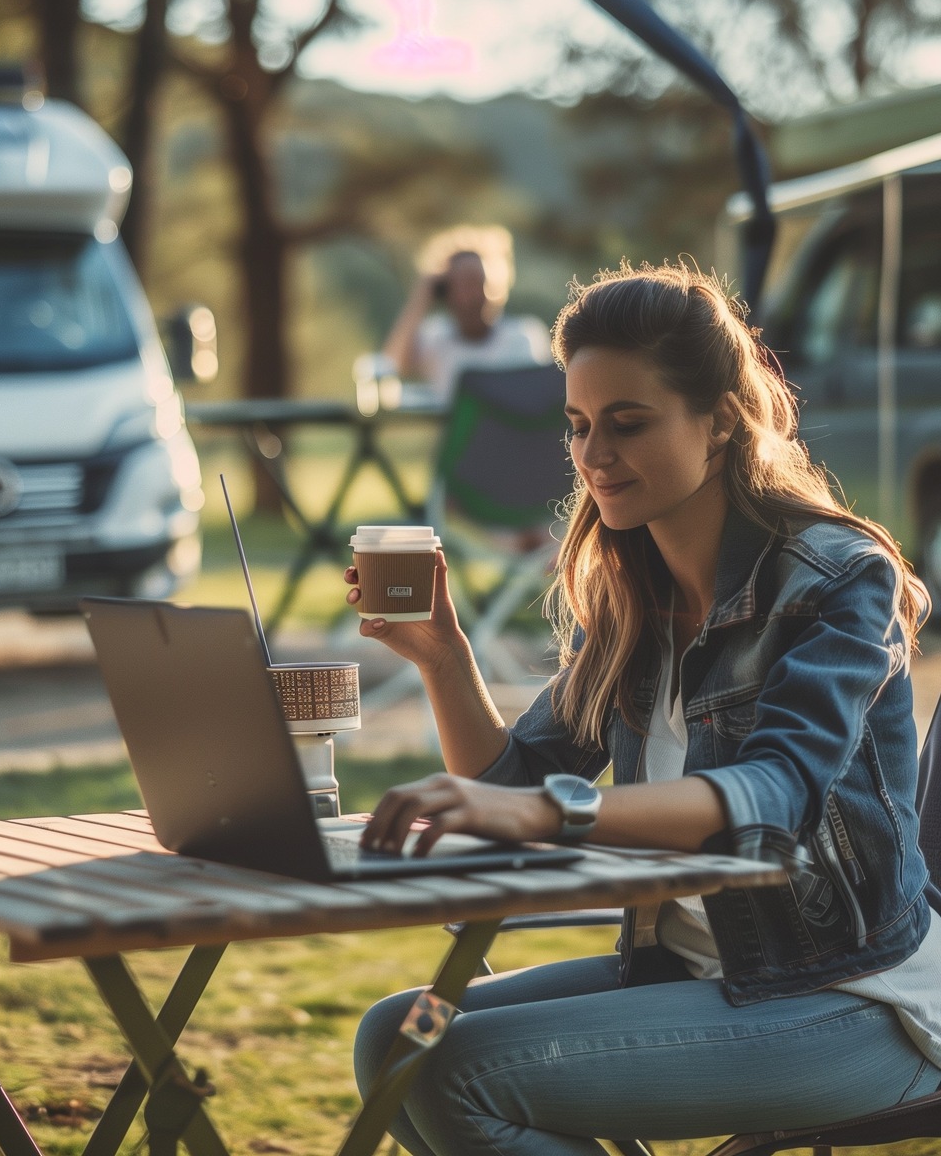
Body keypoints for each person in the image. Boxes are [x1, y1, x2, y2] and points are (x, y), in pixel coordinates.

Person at [345, 261, 941, 1155]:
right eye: (580, 427)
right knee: (398, 1035)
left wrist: (536, 810)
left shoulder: (837, 579)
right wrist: (444, 658)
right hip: (695, 969)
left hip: (847, 997)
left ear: (723, 422)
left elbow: (775, 796)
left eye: (627, 424)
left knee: (449, 1066)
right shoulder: (632, 599)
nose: (592, 456)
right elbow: (511, 785)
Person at [382, 233, 549, 400]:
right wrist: (422, 295)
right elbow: (392, 366)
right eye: (463, 286)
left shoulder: (525, 336)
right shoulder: (435, 337)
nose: (473, 296)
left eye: (479, 282)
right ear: (446, 292)